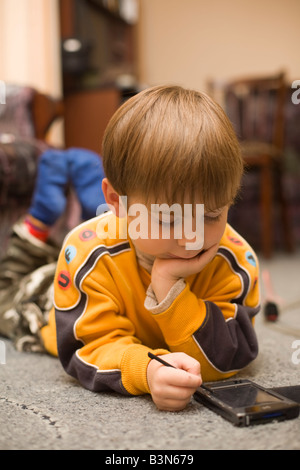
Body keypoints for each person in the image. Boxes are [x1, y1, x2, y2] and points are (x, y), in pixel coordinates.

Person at [39, 85, 260, 412]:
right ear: (116, 201)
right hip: (48, 300)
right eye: (168, 220)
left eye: (211, 216)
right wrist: (146, 368)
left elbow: (227, 359)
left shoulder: (235, 259)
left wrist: (169, 286)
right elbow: (87, 347)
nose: (192, 239)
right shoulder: (88, 254)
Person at [0, 147, 106, 351]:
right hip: (57, 292)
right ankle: (47, 218)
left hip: (45, 293)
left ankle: (55, 216)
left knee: (7, 291)